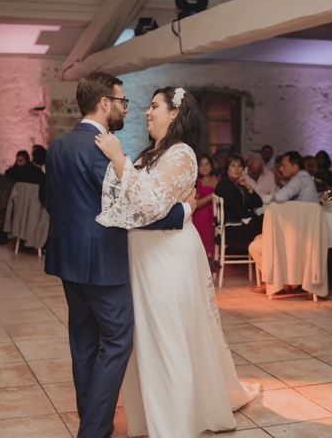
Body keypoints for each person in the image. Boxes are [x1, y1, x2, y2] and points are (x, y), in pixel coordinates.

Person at [95, 87, 258, 437]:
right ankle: (152, 419)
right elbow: (125, 205)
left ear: (175, 113)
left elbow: (148, 201)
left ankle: (174, 426)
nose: (146, 112)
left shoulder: (181, 154)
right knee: (148, 341)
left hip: (167, 257)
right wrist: (181, 207)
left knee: (168, 339)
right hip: (144, 255)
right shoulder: (151, 153)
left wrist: (118, 157)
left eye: (154, 106)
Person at [44, 72, 191, 438]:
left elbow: (48, 200)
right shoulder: (100, 147)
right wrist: (182, 213)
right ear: (105, 103)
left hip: (67, 262)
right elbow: (135, 207)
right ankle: (93, 431)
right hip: (103, 266)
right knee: (116, 342)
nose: (127, 108)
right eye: (122, 101)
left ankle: (96, 422)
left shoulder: (58, 146)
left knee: (83, 344)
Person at [248, 150, 318, 293]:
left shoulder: (299, 179)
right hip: (306, 237)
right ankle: (285, 281)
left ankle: (276, 282)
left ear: (295, 166)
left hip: (296, 238)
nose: (280, 168)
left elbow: (279, 197)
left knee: (254, 246)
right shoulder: (306, 179)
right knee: (259, 238)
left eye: (284, 165)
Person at [214, 154, 264, 254]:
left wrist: (248, 186)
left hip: (238, 228)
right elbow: (240, 211)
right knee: (267, 220)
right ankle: (265, 259)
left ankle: (262, 257)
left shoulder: (238, 185)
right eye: (233, 166)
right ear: (227, 168)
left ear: (243, 169)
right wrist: (252, 215)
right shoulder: (225, 185)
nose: (236, 169)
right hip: (233, 231)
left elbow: (258, 203)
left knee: (266, 220)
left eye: (239, 166)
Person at [193, 154, 219, 261]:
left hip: (216, 216)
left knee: (214, 243)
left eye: (207, 164)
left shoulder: (218, 180)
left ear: (212, 166)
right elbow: (196, 204)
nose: (204, 167)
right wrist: (211, 196)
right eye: (201, 165)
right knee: (202, 245)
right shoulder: (197, 183)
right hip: (201, 217)